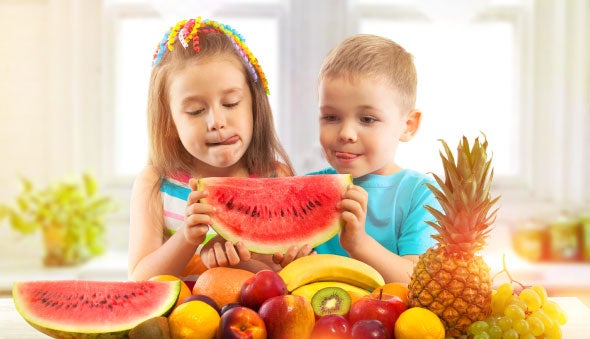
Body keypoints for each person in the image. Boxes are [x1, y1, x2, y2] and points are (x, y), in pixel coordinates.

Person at [128, 17, 309, 281]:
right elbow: (139, 280)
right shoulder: (155, 184)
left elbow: (286, 280)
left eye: (231, 103)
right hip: (184, 321)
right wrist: (187, 239)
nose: (216, 122)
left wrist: (245, 264)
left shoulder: (276, 178)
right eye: (196, 111)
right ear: (169, 122)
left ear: (254, 106)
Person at [304, 34, 441, 283]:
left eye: (367, 119)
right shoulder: (305, 190)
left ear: (408, 125)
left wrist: (359, 244)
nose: (346, 133)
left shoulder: (420, 194)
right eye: (331, 117)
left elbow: (420, 282)